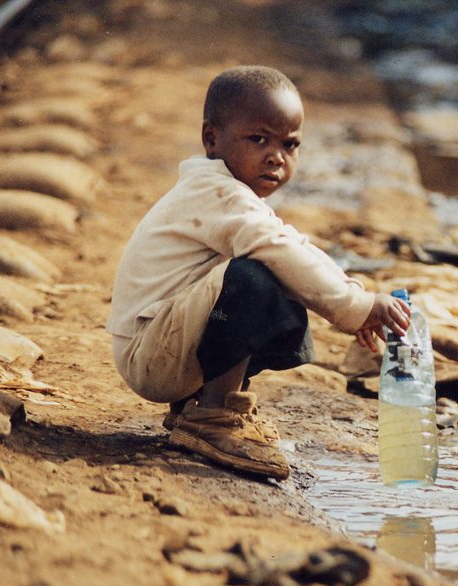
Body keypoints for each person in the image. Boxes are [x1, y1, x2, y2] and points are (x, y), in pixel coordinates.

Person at [106, 65, 410, 480]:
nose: (276, 157)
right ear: (212, 138)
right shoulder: (215, 193)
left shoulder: (232, 194)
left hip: (165, 347)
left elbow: (293, 245)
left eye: (290, 144)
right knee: (256, 277)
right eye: (258, 139)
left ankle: (200, 405)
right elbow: (281, 250)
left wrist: (354, 294)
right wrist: (356, 307)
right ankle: (212, 417)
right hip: (151, 355)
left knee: (280, 276)